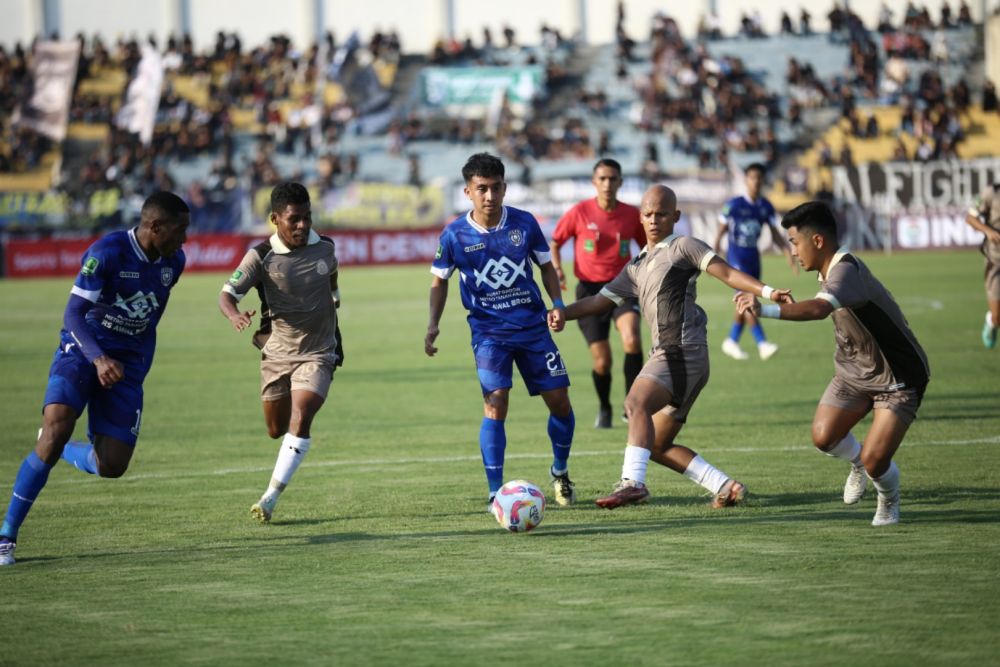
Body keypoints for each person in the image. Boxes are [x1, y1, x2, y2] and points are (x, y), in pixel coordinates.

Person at [550, 185, 792, 509]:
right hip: (683, 358)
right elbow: (598, 301)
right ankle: (725, 486)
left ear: (675, 216)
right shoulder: (636, 266)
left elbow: (728, 272)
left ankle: (632, 483)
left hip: (680, 350)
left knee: (635, 404)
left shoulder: (683, 248)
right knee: (658, 443)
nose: (654, 220)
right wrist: (561, 313)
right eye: (648, 214)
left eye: (661, 214)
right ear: (641, 218)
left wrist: (768, 291)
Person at [0, 192, 190, 566]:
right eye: (180, 230)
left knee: (112, 466)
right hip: (83, 349)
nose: (185, 239)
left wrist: (126, 359)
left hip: (128, 364)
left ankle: (61, 448)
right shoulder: (107, 253)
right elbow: (73, 314)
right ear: (155, 226)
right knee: (57, 424)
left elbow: (146, 315)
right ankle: (6, 535)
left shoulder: (174, 262)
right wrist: (99, 357)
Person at [736, 201, 930, 526]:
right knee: (823, 436)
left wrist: (764, 310)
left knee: (876, 460)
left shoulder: (846, 270)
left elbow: (817, 310)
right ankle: (857, 464)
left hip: (897, 377)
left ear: (817, 241)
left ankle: (888, 498)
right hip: (854, 372)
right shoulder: (828, 270)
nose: (793, 252)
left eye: (795, 242)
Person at [425, 153, 577, 510]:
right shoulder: (454, 235)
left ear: (505, 188)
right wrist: (433, 324)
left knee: (561, 404)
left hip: (533, 329)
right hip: (489, 333)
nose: (489, 196)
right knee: (495, 405)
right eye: (482, 189)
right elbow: (439, 280)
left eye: (495, 188)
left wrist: (557, 303)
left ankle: (560, 471)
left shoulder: (524, 224)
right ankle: (496, 493)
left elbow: (546, 266)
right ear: (468, 191)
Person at [218, 182, 343, 523]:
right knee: (276, 429)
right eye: (294, 220)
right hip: (276, 354)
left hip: (319, 351)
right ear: (275, 219)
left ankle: (269, 498)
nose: (303, 226)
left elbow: (331, 276)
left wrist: (335, 298)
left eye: (307, 217)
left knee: (301, 417)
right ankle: (282, 461)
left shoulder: (326, 247)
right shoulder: (260, 257)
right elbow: (226, 295)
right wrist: (235, 316)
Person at [550, 158, 646, 428]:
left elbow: (649, 246)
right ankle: (604, 407)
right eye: (602, 178)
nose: (607, 184)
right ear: (594, 182)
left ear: (620, 182)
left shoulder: (630, 214)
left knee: (632, 340)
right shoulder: (580, 212)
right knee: (602, 362)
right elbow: (555, 242)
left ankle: (633, 405)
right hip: (589, 292)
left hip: (624, 287)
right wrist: (558, 269)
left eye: (612, 178)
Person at [714, 162, 797, 361]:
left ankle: (731, 340)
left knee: (745, 300)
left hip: (753, 258)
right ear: (746, 180)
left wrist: (787, 251)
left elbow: (775, 232)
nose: (756, 181)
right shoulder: (734, 205)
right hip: (736, 258)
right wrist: (714, 250)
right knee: (748, 298)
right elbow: (721, 229)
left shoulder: (765, 206)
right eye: (752, 177)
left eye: (759, 178)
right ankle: (762, 343)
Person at [964, 183, 1000, 349]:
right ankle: (992, 322)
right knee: (997, 316)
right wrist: (989, 231)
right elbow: (970, 218)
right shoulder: (991, 192)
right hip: (996, 260)